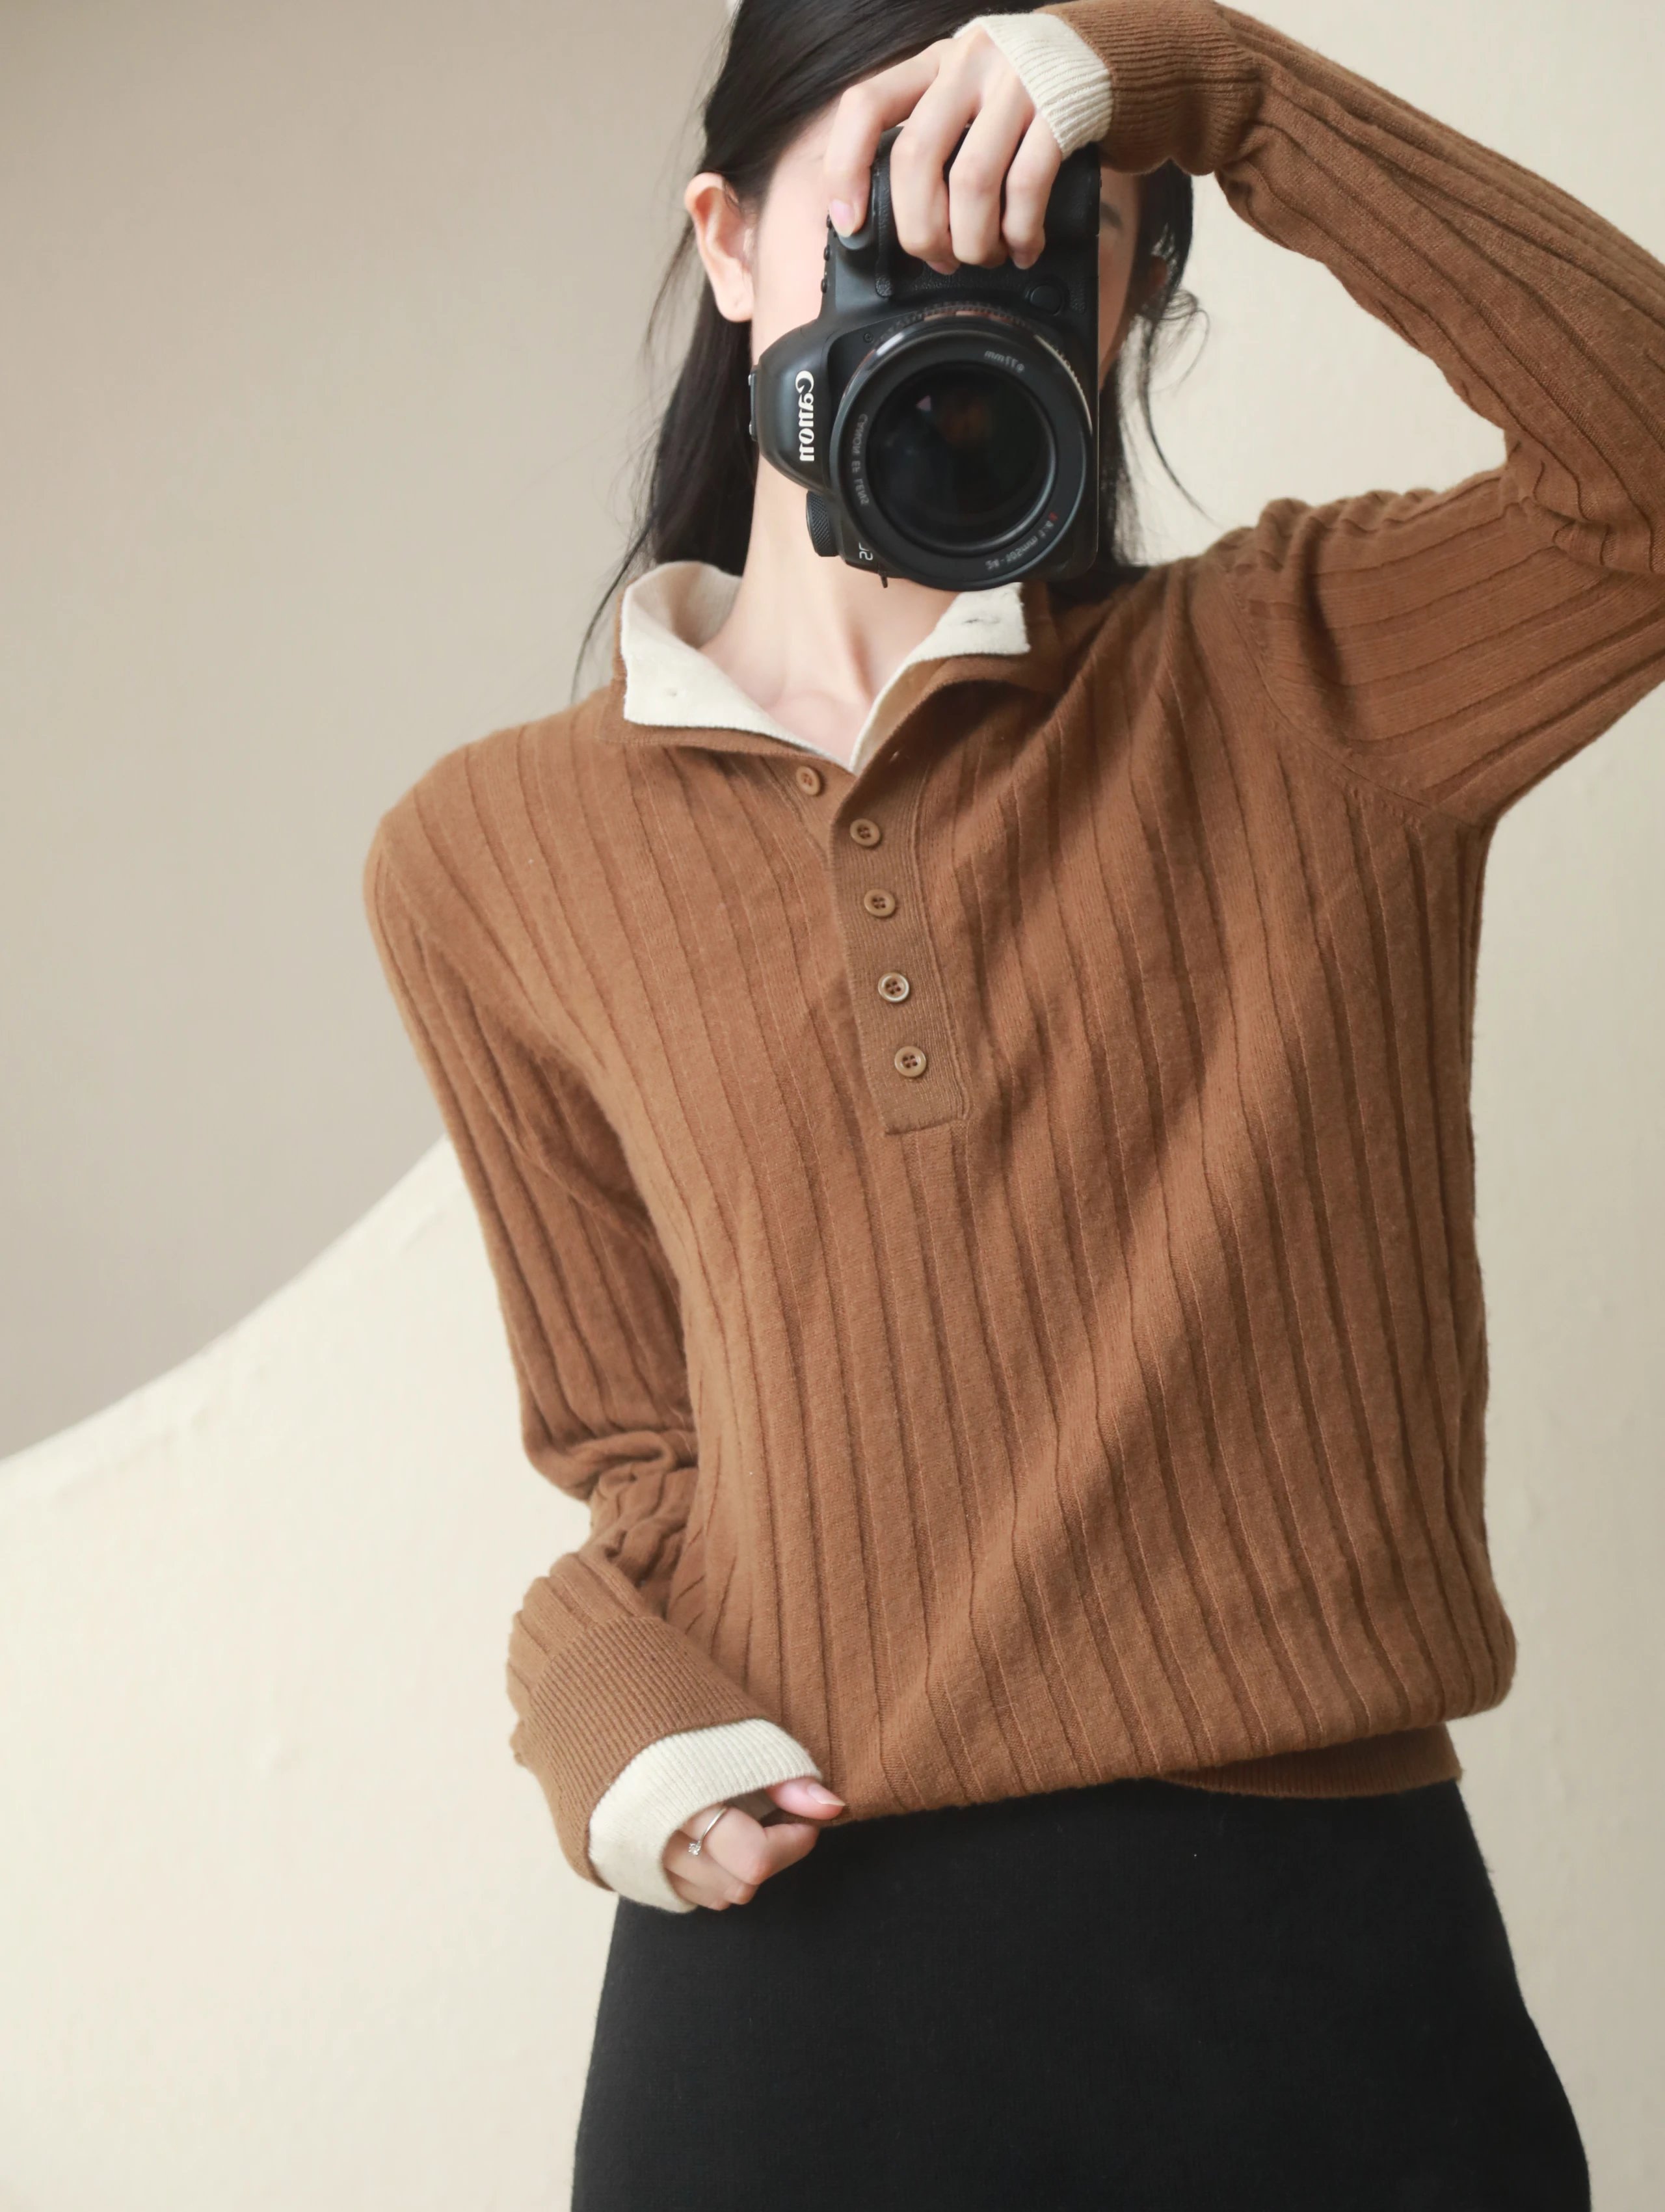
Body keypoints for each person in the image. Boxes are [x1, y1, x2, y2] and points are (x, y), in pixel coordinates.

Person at [362, 1, 1665, 2203]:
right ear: (732, 243)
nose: (972, 248)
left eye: (1058, 210)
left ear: (1126, 291)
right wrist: (597, 1693)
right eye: (900, 184)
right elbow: (638, 1451)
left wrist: (1217, 86)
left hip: (1317, 1976)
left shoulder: (1306, 671)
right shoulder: (484, 857)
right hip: (796, 1991)